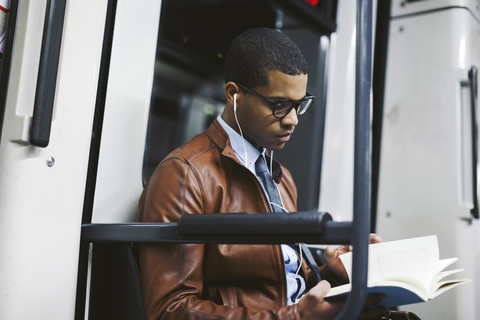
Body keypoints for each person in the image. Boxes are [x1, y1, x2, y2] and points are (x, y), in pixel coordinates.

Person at [138, 28, 415, 320]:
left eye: (299, 105)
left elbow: (286, 284)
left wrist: (331, 273)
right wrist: (295, 318)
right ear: (234, 95)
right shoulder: (186, 175)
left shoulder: (281, 178)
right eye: (279, 105)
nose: (293, 120)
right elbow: (170, 311)